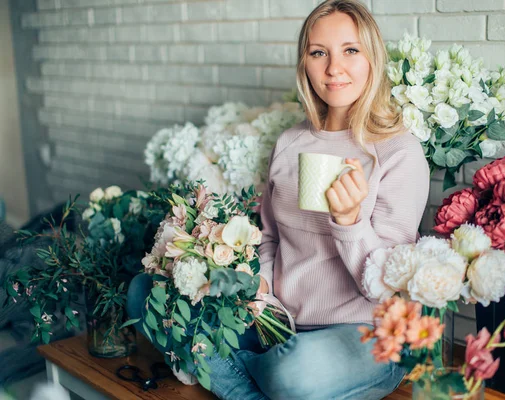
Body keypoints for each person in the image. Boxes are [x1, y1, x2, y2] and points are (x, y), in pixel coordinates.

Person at [127, 0, 429, 399]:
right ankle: (263, 382)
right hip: (279, 323)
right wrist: (261, 289)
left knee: (296, 372)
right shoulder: (290, 143)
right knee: (145, 292)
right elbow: (269, 238)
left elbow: (387, 287)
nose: (334, 68)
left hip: (365, 333)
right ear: (304, 62)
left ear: (372, 57)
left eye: (350, 51)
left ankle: (245, 378)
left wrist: (349, 221)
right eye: (318, 52)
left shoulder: (398, 151)